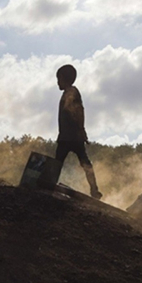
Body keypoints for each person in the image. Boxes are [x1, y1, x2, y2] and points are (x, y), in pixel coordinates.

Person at [55, 64, 102, 199]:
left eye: (59, 79)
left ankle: (94, 190)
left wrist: (82, 130)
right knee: (83, 163)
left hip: (70, 136)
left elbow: (79, 111)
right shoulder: (69, 93)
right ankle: (94, 190)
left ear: (64, 78)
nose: (58, 82)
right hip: (71, 136)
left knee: (59, 162)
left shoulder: (71, 92)